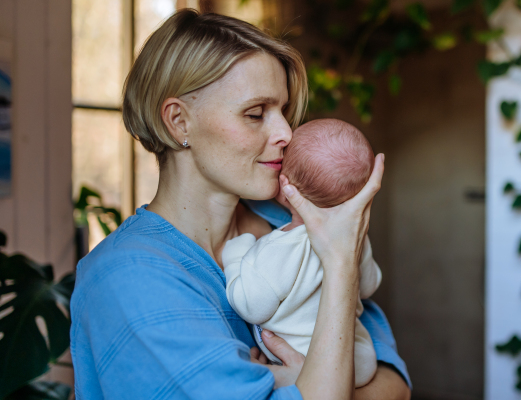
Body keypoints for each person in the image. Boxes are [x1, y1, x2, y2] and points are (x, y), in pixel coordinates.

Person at [69, 9, 412, 400]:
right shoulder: (129, 278)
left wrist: (308, 383)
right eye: (255, 114)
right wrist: (329, 378)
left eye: (283, 111)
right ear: (179, 122)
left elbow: (395, 382)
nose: (286, 132)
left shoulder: (290, 219)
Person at [223, 119, 381, 388]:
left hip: (310, 362)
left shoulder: (281, 247)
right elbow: (369, 285)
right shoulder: (354, 238)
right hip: (361, 359)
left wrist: (236, 253)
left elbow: (252, 305)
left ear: (286, 191)